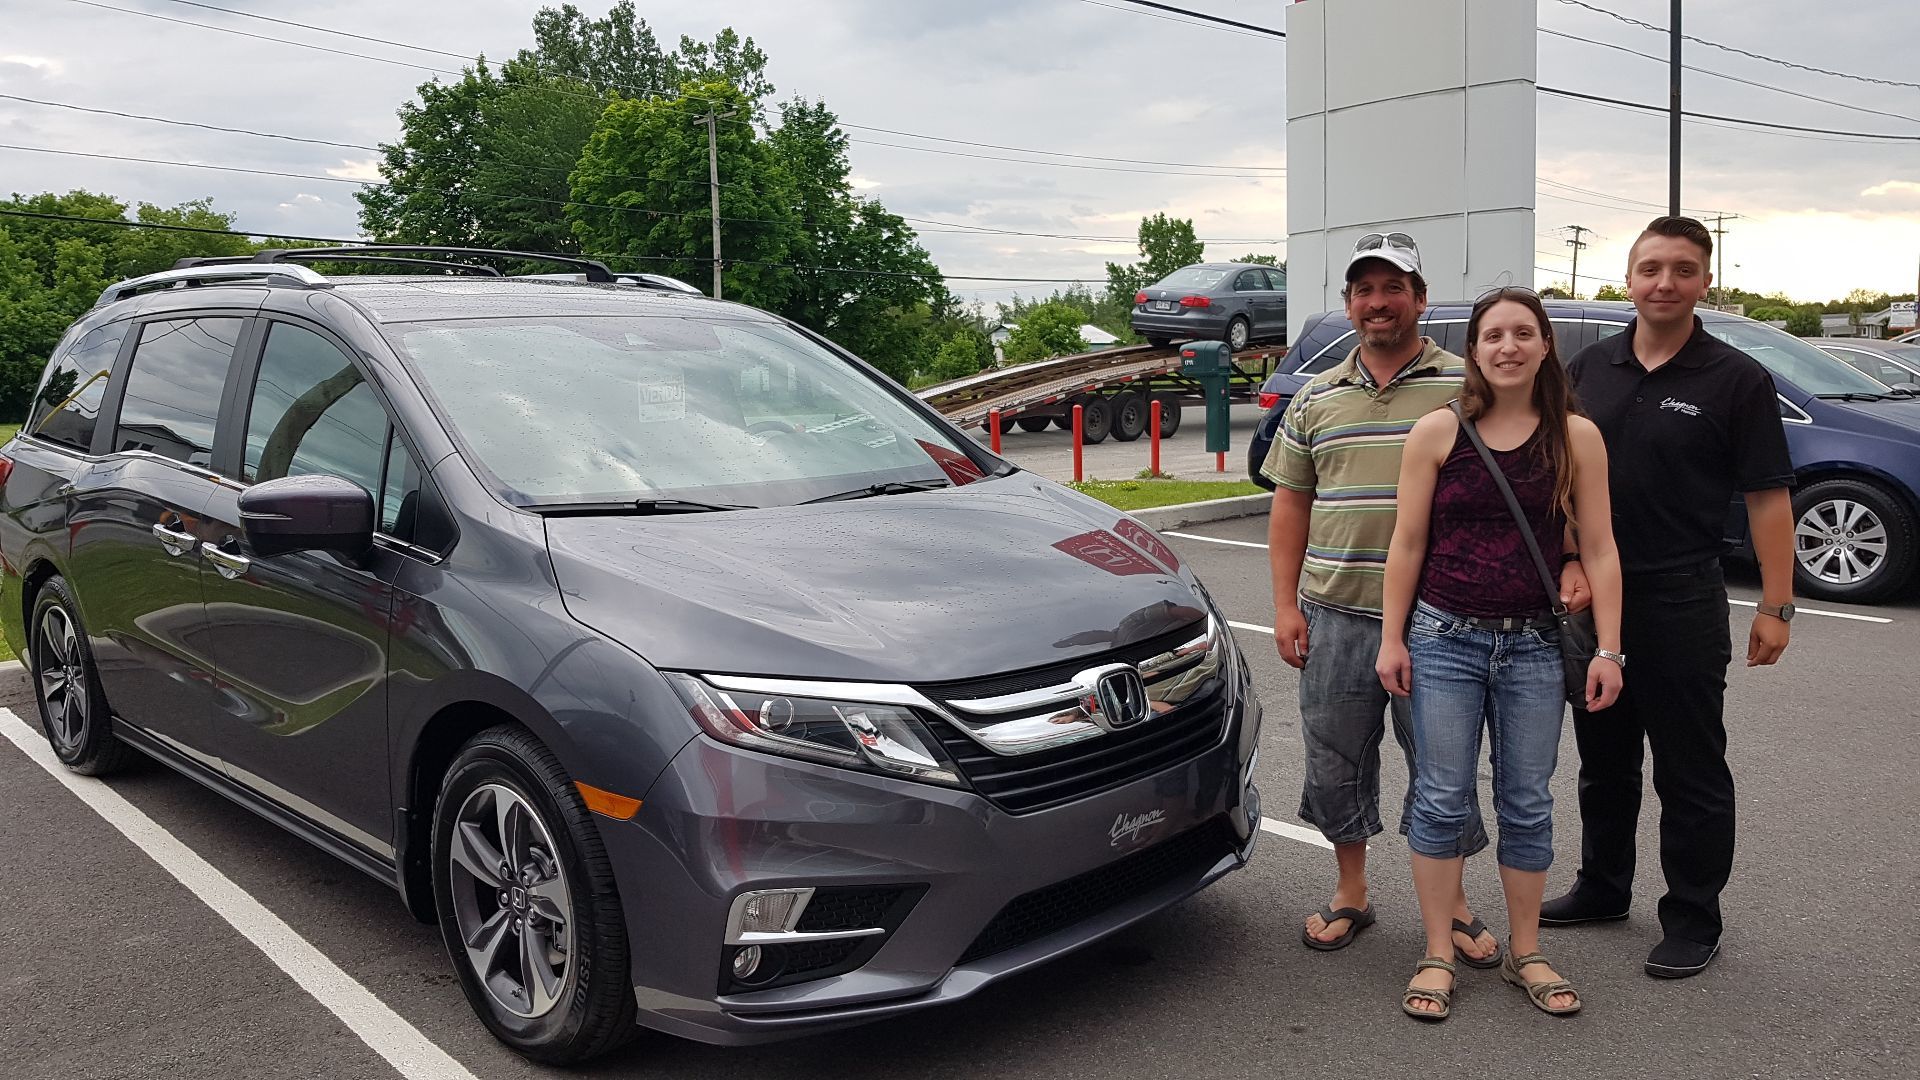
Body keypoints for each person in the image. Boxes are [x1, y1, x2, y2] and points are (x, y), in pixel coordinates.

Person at [1542, 215, 1795, 979]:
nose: (1664, 283)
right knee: (1603, 761)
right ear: (1628, 279)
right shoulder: (1589, 368)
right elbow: (1560, 475)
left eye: (1683, 270)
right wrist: (1568, 559)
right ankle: (1602, 886)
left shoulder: (1737, 379)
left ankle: (1692, 916)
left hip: (1682, 597)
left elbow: (1768, 498)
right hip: (1594, 601)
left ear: (1705, 282)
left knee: (1690, 768)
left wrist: (1777, 605)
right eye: (1651, 268)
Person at [1376, 288, 1624, 1020]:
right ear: (1475, 350)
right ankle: (1437, 952)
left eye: (1523, 333)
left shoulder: (1576, 436)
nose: (1508, 346)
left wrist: (1610, 649)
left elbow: (1601, 548)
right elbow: (1407, 544)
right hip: (1443, 638)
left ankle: (1526, 950)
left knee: (1527, 800)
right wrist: (1392, 638)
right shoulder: (1436, 431)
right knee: (1441, 796)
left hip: (1536, 647)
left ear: (1546, 346)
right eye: (1493, 335)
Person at [1263, 232, 1500, 966]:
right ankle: (1352, 891)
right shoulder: (1316, 396)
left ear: (1420, 299)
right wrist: (1285, 605)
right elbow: (1290, 505)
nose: (1378, 302)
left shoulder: (1468, 387)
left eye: (1393, 287)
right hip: (1333, 611)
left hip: (1439, 618)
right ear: (1348, 304)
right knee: (1335, 758)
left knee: (1442, 764)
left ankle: (1452, 903)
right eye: (1363, 290)